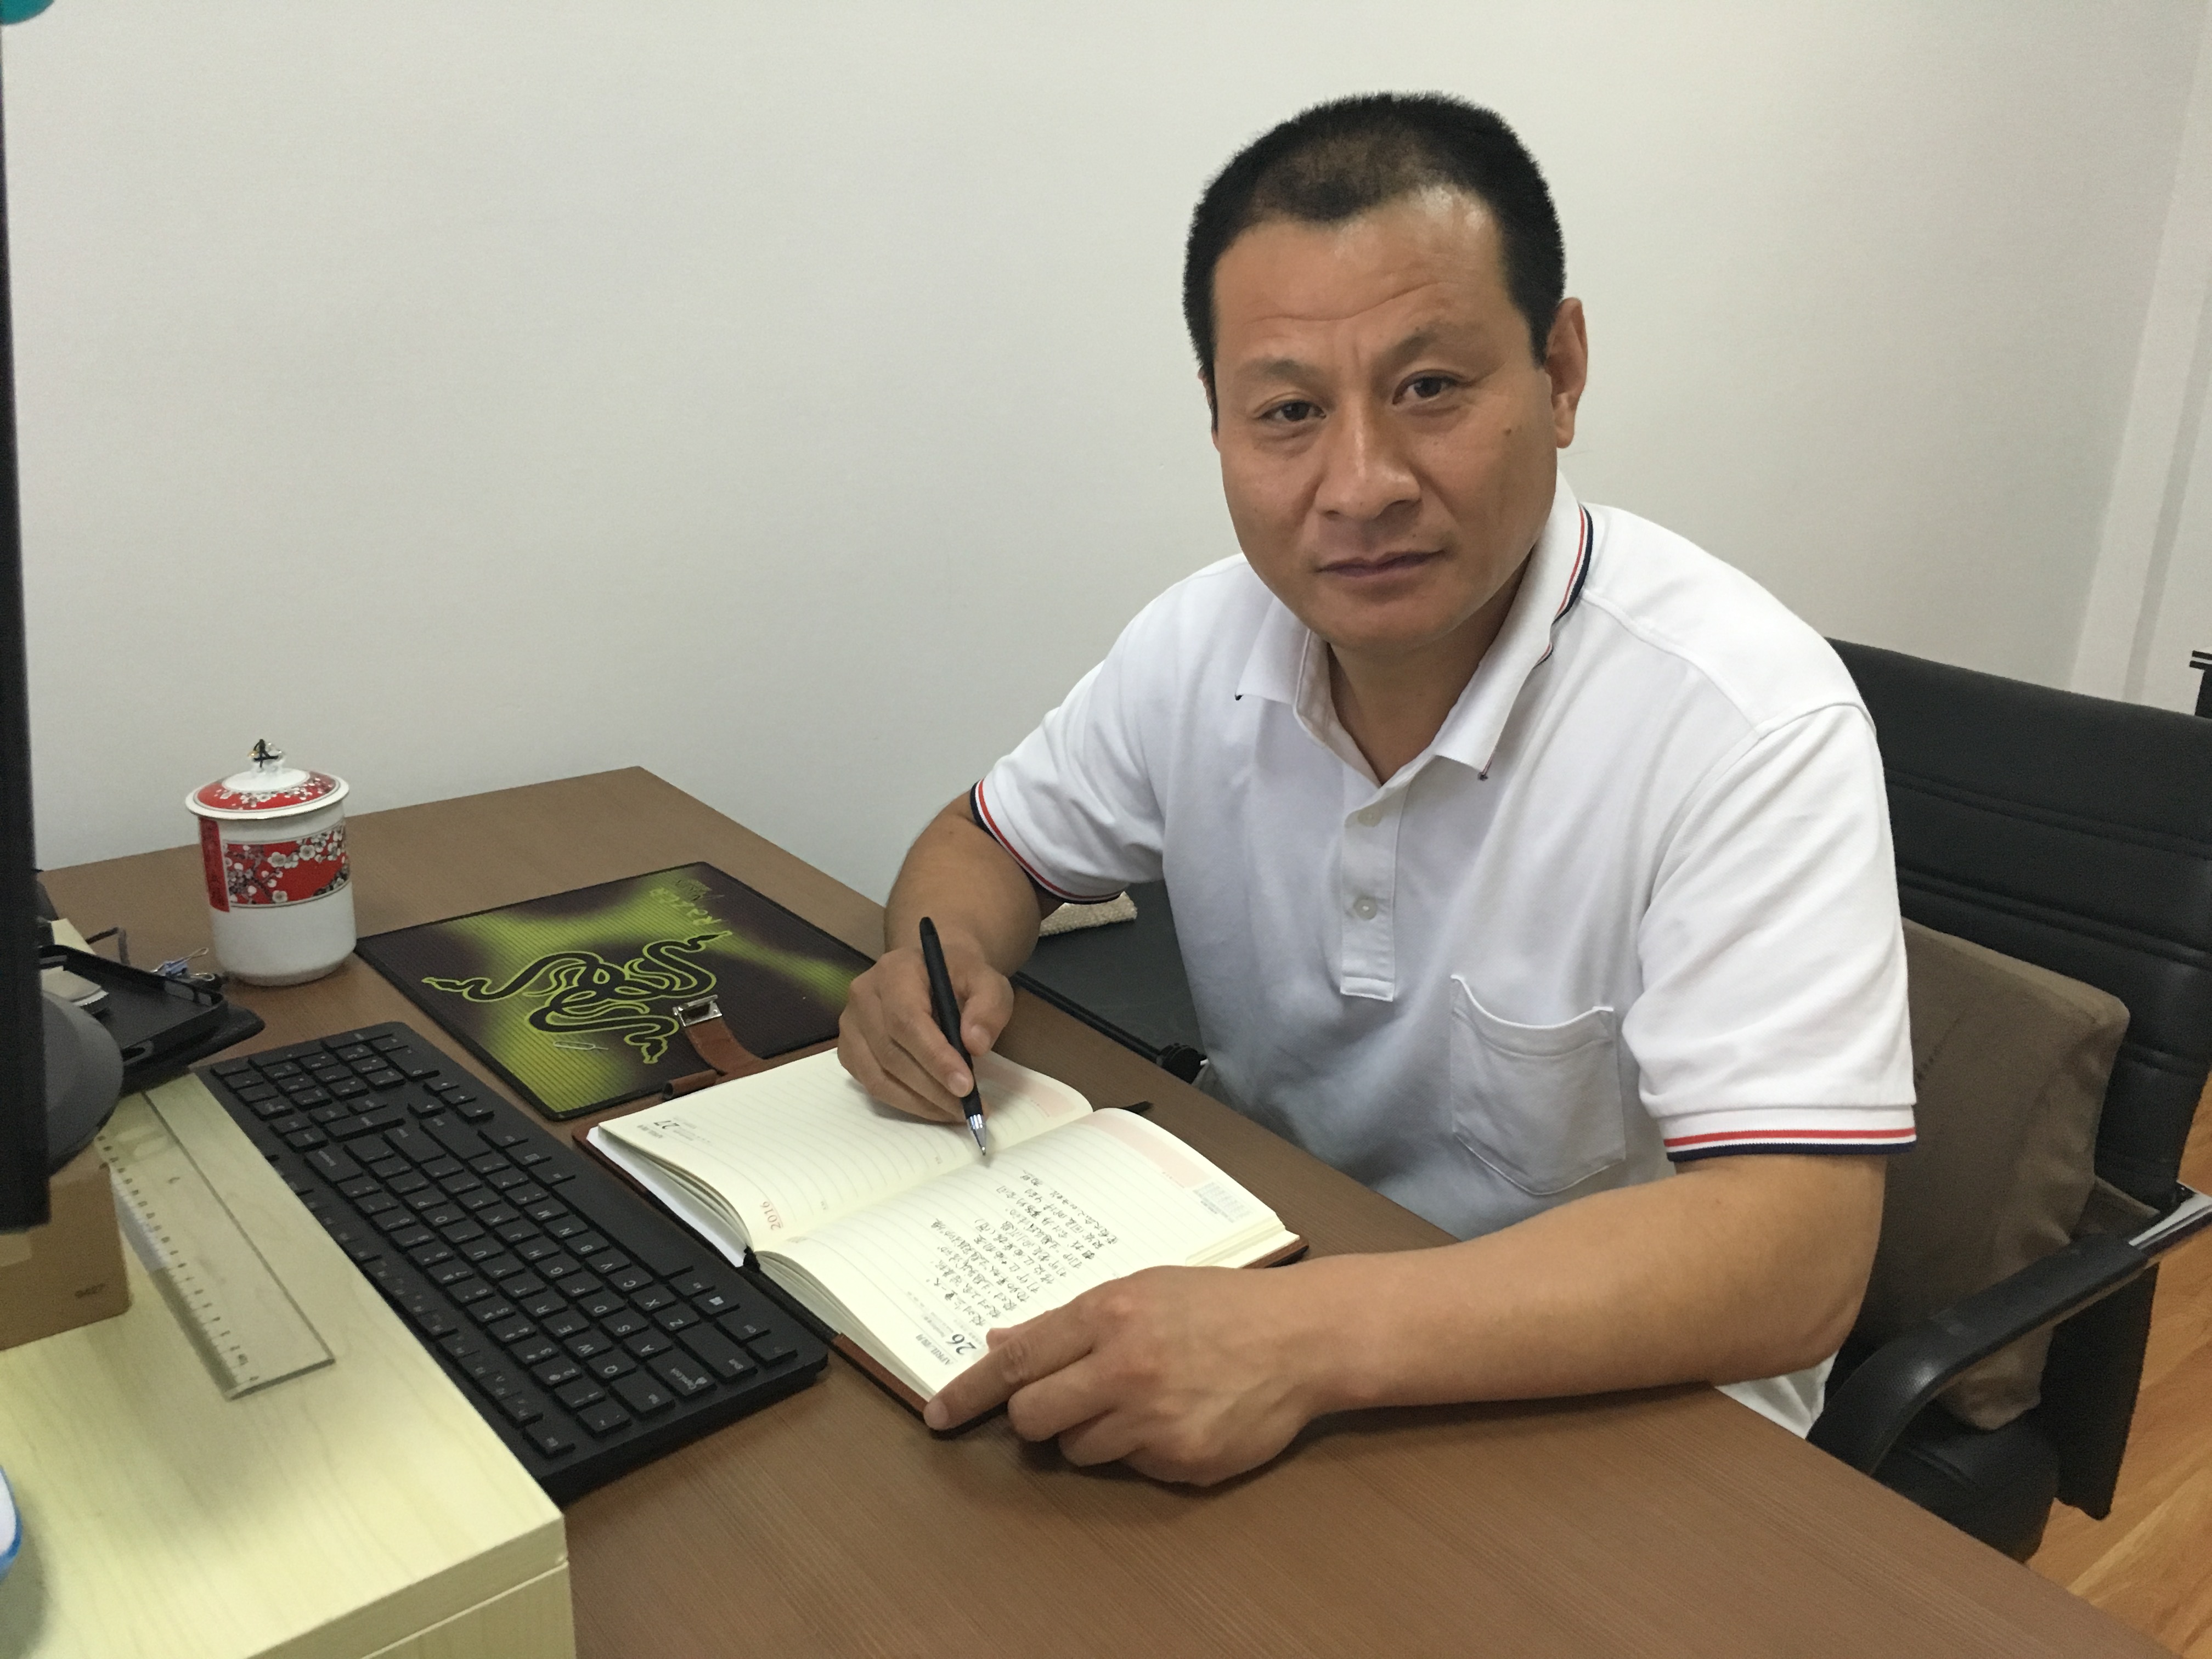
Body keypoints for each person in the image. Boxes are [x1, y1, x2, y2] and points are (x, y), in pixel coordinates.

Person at [837, 93, 1915, 1485]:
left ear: (1561, 372)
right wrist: (934, 967)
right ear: (1219, 423)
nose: (1360, 485)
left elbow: (1795, 1256)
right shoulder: (1198, 643)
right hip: (1282, 1305)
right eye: (1289, 411)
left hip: (1621, 1412)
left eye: (1430, 389)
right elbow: (981, 845)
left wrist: (1302, 1339)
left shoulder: (1746, 722)